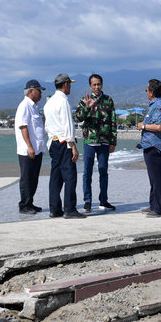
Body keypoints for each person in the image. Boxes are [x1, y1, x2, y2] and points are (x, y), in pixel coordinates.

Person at [44, 73, 85, 219]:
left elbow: (47, 125)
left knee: (55, 177)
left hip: (53, 142)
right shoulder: (63, 101)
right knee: (70, 176)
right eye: (70, 84)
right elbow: (68, 126)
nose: (70, 87)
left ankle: (54, 209)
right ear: (66, 84)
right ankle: (69, 209)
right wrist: (72, 145)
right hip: (64, 142)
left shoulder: (48, 102)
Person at [75, 74, 117, 212]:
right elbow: (78, 118)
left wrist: (113, 141)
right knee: (87, 172)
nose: (97, 87)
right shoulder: (84, 100)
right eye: (94, 85)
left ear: (102, 85)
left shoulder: (108, 100)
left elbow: (113, 122)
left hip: (104, 141)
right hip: (89, 141)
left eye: (99, 84)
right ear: (90, 86)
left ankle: (103, 200)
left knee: (103, 171)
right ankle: (87, 201)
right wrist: (86, 108)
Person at [137, 79, 161, 218]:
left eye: (146, 90)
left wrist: (143, 126)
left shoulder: (158, 106)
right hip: (150, 146)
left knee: (157, 178)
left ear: (151, 92)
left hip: (156, 147)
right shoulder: (156, 104)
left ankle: (158, 208)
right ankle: (153, 204)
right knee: (153, 178)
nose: (146, 92)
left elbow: (159, 127)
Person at [15, 79, 46, 215]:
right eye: (39, 91)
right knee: (27, 178)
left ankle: (30, 202)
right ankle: (24, 205)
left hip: (37, 149)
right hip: (28, 150)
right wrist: (29, 146)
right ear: (31, 91)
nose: (41, 94)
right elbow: (23, 126)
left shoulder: (34, 106)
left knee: (34, 178)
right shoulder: (24, 106)